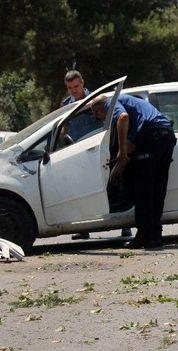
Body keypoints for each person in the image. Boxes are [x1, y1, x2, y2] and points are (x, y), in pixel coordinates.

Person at [91, 94, 177, 249]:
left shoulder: (111, 102)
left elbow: (123, 118)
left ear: (100, 108)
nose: (98, 117)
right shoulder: (128, 103)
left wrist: (122, 152)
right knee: (157, 191)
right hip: (166, 135)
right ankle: (154, 237)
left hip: (152, 136)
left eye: (96, 113)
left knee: (143, 191)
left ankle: (144, 237)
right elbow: (133, 134)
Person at [61, 71, 132, 239]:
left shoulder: (96, 100)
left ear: (83, 83)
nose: (74, 90)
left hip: (99, 149)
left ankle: (125, 226)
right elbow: (65, 126)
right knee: (82, 190)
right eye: (70, 88)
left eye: (76, 86)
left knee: (113, 186)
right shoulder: (66, 103)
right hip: (78, 152)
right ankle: (84, 229)